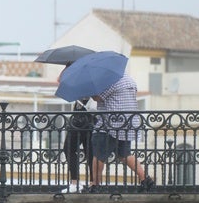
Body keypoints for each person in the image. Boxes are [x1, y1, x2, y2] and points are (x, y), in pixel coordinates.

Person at [89, 74, 154, 193]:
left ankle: (96, 185)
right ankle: (146, 180)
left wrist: (90, 88)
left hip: (109, 124)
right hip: (127, 124)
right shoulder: (129, 80)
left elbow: (97, 98)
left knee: (98, 155)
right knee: (124, 154)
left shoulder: (109, 80)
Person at [58, 63, 96, 193]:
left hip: (80, 119)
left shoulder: (80, 78)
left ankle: (75, 183)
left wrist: (68, 66)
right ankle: (92, 184)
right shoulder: (95, 79)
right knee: (90, 152)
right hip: (92, 119)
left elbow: (60, 80)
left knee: (69, 149)